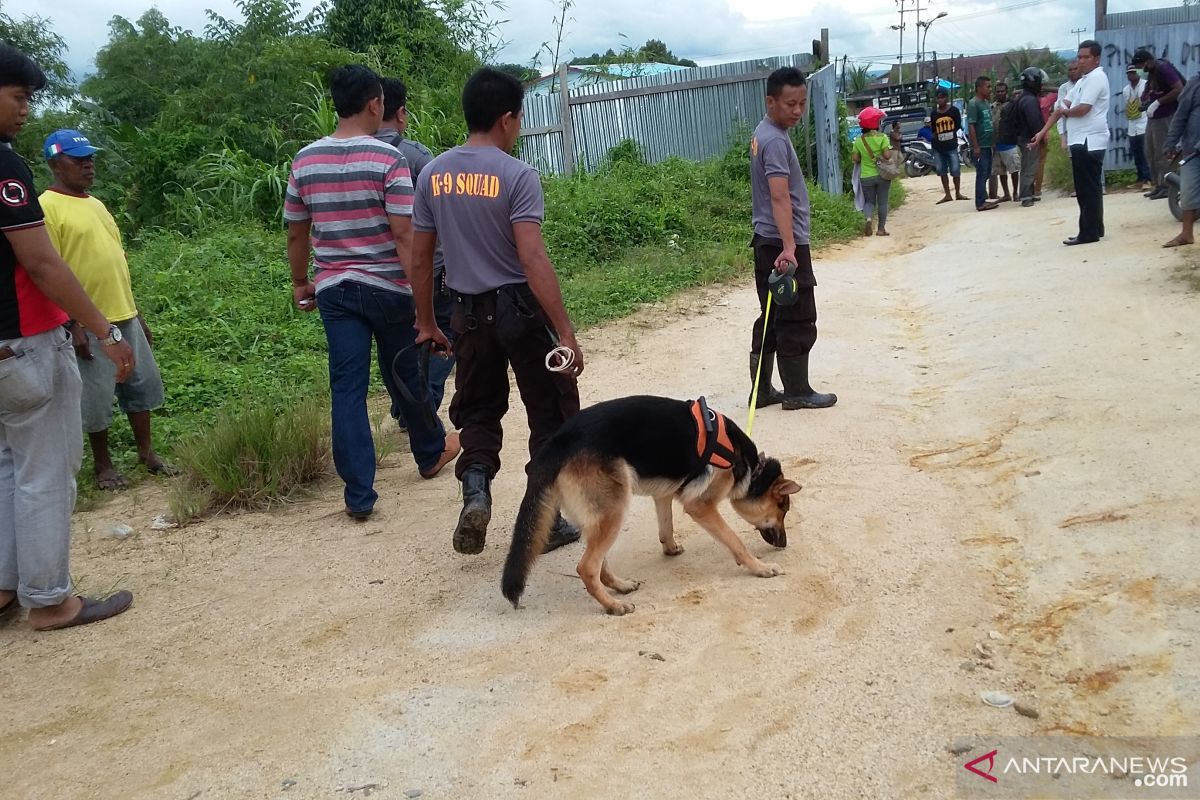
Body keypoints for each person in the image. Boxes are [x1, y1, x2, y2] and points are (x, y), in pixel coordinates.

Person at [409, 67, 583, 555]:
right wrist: (565, 332)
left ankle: (477, 490)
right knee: (551, 410)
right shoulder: (518, 174)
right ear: (507, 119)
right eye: (520, 118)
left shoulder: (433, 175)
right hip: (521, 312)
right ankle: (543, 522)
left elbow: (421, 257)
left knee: (479, 409)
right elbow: (531, 257)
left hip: (467, 315)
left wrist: (427, 322)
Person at [285, 65, 460, 522]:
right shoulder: (390, 161)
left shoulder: (304, 160)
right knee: (404, 374)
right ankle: (429, 453)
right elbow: (405, 237)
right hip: (388, 287)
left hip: (336, 291)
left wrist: (300, 280)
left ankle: (359, 495)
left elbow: (296, 232)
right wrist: (425, 310)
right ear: (374, 104)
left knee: (347, 388)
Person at [0, 43, 136, 631]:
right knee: (47, 474)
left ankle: (6, 588)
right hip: (27, 339)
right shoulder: (6, 169)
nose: (25, 109)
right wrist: (105, 329)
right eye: (18, 96)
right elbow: (44, 265)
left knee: (8, 468)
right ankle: (51, 599)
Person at [40, 129, 176, 490]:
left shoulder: (96, 203)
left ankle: (147, 454)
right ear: (55, 163)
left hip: (124, 312)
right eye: (78, 159)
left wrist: (137, 313)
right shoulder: (47, 207)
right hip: (89, 321)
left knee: (140, 384)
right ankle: (103, 465)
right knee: (97, 396)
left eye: (90, 158)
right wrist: (72, 324)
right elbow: (48, 270)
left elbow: (117, 263)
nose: (88, 166)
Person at [742, 67, 836, 413]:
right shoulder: (775, 141)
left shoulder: (763, 132)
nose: (798, 111)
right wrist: (790, 247)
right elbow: (780, 197)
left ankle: (763, 390)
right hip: (781, 243)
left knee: (770, 314)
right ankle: (797, 391)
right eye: (790, 104)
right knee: (796, 313)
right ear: (771, 101)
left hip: (765, 239)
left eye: (802, 103)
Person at [375, 77, 454, 431]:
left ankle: (405, 403)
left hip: (377, 275)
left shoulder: (348, 154)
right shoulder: (418, 157)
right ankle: (422, 401)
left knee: (400, 339)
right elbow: (447, 209)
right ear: (402, 113)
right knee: (444, 329)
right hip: (427, 268)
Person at [1032, 40, 1110, 246]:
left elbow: (1082, 109)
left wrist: (1065, 110)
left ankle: (1088, 232)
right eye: (1079, 57)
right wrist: (1042, 132)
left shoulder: (1096, 78)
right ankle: (1095, 227)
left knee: (1087, 189)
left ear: (1096, 59)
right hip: (1081, 140)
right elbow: (1061, 106)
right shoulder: (1083, 81)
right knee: (1090, 188)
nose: (1081, 61)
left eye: (1086, 57)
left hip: (1089, 140)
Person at [1133, 49, 1185, 200]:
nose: (1139, 70)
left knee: (1162, 153)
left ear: (1147, 62)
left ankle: (1167, 186)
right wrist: (1146, 101)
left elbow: (1179, 89)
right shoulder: (1152, 72)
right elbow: (1150, 90)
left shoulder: (1164, 68)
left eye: (1139, 66)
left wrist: (1158, 102)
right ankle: (1158, 185)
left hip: (1166, 115)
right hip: (1154, 117)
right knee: (1150, 152)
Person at [1162, 72, 1200, 248]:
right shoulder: (1194, 85)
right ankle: (1186, 234)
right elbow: (1181, 116)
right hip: (1193, 151)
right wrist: (1170, 142)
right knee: (1188, 190)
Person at [851, 106, 893, 237]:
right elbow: (887, 156)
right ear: (876, 123)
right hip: (882, 175)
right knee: (883, 201)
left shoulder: (859, 141)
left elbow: (855, 158)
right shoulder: (882, 137)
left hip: (866, 176)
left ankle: (868, 218)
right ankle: (881, 229)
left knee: (869, 201)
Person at [1014, 69, 1047, 207]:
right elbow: (1034, 121)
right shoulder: (1030, 100)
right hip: (1029, 138)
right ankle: (1026, 196)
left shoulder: (1023, 97)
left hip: (1023, 136)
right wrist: (1039, 135)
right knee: (1029, 166)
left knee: (1028, 164)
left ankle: (1029, 193)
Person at [966, 77, 1000, 212]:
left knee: (986, 173)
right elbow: (971, 126)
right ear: (979, 88)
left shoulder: (986, 103)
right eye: (988, 86)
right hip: (980, 145)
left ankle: (984, 197)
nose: (990, 89)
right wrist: (975, 146)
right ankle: (980, 202)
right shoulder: (974, 104)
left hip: (988, 144)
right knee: (981, 173)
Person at [931, 89, 969, 205]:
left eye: (943, 97)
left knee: (955, 169)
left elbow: (957, 126)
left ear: (947, 98)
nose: (941, 100)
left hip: (951, 145)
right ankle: (947, 194)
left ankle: (958, 193)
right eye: (938, 98)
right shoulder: (934, 114)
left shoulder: (954, 111)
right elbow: (933, 129)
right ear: (936, 99)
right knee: (942, 170)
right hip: (938, 147)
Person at [1121, 64, 1151, 191]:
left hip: (1143, 122)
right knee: (1136, 153)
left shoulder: (1145, 85)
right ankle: (1140, 178)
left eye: (1133, 72)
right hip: (1132, 123)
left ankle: (1148, 179)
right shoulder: (1126, 90)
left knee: (1145, 152)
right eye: (1129, 73)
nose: (1131, 75)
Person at [990, 82, 1020, 203]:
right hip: (996, 144)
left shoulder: (1013, 105)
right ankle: (1006, 194)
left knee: (1014, 169)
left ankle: (1015, 193)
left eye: (1002, 91)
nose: (1000, 93)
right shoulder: (992, 107)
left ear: (1006, 92)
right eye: (998, 91)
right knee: (1001, 171)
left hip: (1010, 142)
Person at [1034, 85, 1057, 199]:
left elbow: (1015, 95)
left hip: (1031, 134)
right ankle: (1037, 189)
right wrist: (1047, 88)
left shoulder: (1029, 101)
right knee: (1041, 162)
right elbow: (1059, 90)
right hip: (1043, 134)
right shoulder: (1046, 100)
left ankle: (1029, 188)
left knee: (1030, 162)